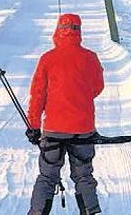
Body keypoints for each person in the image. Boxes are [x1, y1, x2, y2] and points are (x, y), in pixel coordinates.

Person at [26, 14, 104, 215]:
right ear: (79, 31)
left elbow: (37, 95)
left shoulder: (47, 59)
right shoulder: (90, 58)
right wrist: (80, 97)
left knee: (47, 177)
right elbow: (97, 87)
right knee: (84, 177)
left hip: (54, 130)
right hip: (83, 129)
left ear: (58, 30)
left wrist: (33, 126)